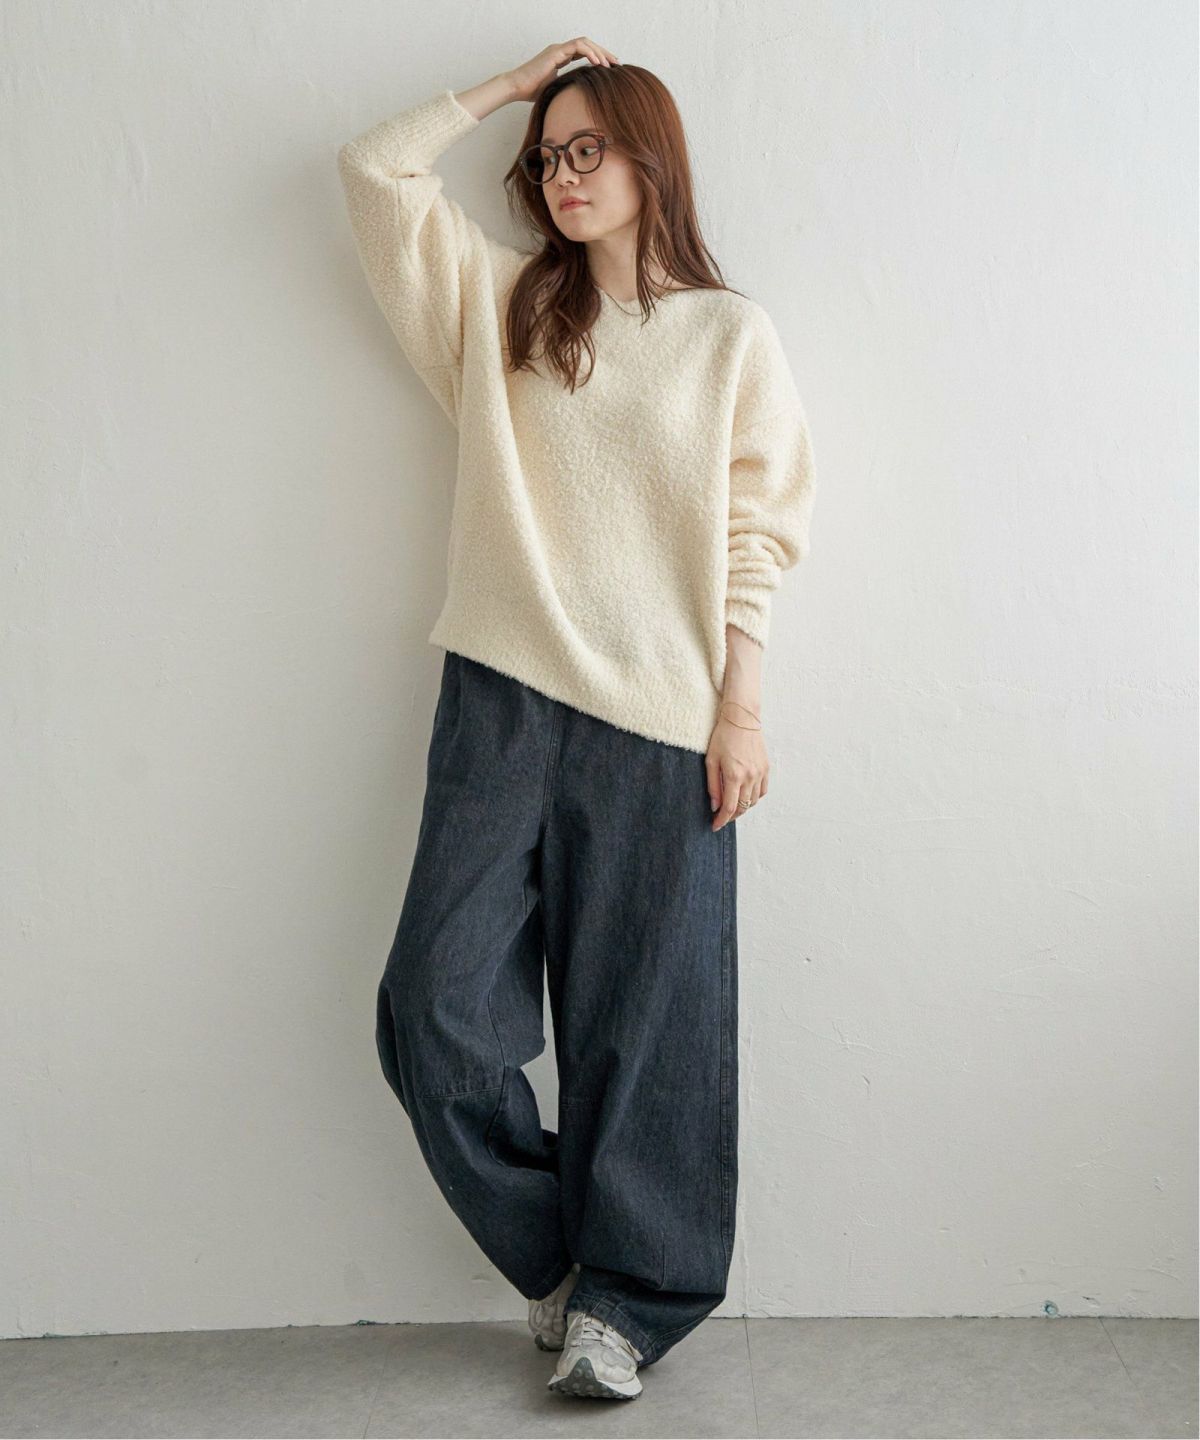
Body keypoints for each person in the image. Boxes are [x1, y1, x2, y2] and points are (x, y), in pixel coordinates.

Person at [336, 38, 817, 1402]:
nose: (561, 173)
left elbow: (759, 534)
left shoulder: (730, 337)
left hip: (662, 719)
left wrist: (742, 710)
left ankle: (633, 1301)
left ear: (652, 155)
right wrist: (506, 89)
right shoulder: (500, 310)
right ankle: (561, 1264)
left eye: (589, 146)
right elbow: (373, 175)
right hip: (499, 696)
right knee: (434, 1009)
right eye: (547, 156)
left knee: (645, 1029)